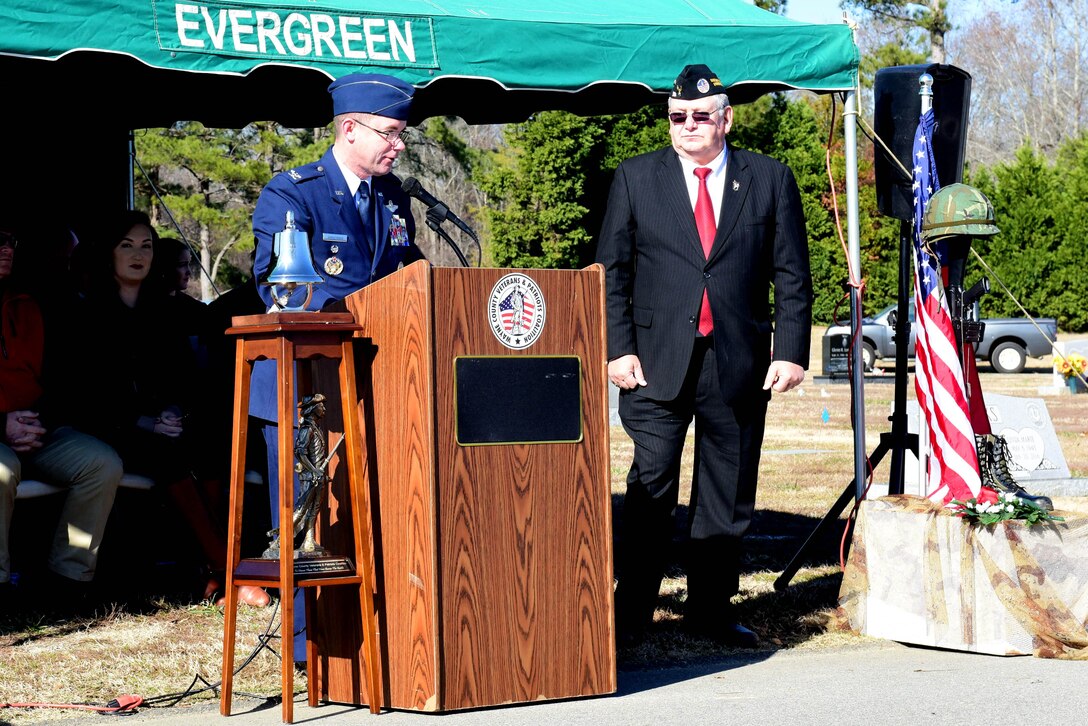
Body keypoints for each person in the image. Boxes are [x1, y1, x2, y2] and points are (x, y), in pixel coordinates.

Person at [595, 64, 813, 647]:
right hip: (653, 361)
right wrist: (617, 350)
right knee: (649, 490)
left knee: (727, 491)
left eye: (699, 116)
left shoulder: (769, 179)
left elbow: (792, 273)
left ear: (726, 119)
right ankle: (631, 612)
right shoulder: (637, 178)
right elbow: (611, 273)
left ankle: (711, 611)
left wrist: (790, 352)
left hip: (737, 362)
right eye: (677, 117)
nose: (687, 125)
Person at [249, 72, 422, 656]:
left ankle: (381, 624)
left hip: (381, 376)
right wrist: (362, 312)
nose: (398, 145)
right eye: (389, 133)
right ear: (350, 129)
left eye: (401, 134)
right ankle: (308, 647)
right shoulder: (291, 192)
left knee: (382, 501)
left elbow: (411, 275)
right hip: (306, 381)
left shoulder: (394, 196)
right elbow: (281, 282)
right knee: (305, 513)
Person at [70, 211, 268, 608]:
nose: (138, 254)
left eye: (146, 245)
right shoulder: (87, 312)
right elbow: (86, 394)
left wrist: (175, 411)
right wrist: (145, 421)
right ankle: (229, 572)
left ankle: (210, 575)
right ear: (109, 253)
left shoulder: (163, 310)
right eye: (126, 245)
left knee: (214, 442)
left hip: (160, 423)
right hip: (106, 426)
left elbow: (179, 376)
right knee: (168, 455)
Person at [0, 222, 124, 607]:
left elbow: (61, 381)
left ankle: (68, 582)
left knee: (101, 463)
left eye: (10, 240)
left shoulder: (29, 303)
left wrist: (38, 421)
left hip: (34, 428)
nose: (6, 248)